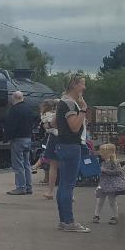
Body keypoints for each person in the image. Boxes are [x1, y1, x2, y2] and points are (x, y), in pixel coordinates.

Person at [54, 74, 91, 232]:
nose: (84, 87)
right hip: (71, 146)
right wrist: (83, 109)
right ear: (74, 85)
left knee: (63, 185)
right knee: (68, 185)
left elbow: (54, 122)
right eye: (82, 84)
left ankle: (63, 220)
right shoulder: (70, 103)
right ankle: (69, 222)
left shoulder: (62, 101)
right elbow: (75, 127)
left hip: (63, 145)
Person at [1, 90, 37, 195]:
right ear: (22, 98)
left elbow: (11, 126)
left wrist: (6, 138)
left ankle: (21, 187)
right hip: (28, 138)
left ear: (13, 98)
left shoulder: (14, 110)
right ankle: (29, 187)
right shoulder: (28, 108)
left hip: (18, 140)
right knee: (27, 164)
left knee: (18, 165)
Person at [92, 143, 125, 224]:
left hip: (111, 185)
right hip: (103, 184)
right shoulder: (102, 162)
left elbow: (118, 171)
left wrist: (105, 171)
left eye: (102, 153)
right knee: (100, 201)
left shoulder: (114, 162)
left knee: (111, 200)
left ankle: (115, 216)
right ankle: (96, 215)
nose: (100, 154)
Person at [38, 99, 59, 195]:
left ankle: (50, 191)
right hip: (59, 137)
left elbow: (48, 126)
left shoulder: (45, 115)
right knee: (61, 164)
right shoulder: (54, 114)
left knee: (53, 165)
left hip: (52, 138)